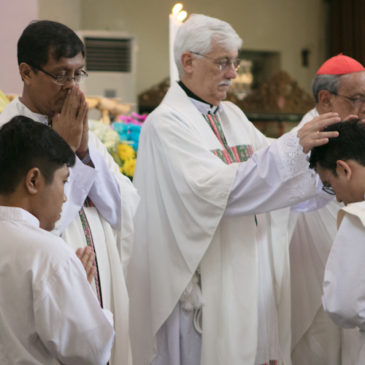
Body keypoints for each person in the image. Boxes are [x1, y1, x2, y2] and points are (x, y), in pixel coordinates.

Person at [127, 14, 340, 365]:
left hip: (247, 269)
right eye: (223, 62)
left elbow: (272, 179)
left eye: (235, 63)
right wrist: (292, 147)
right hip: (208, 282)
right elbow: (215, 190)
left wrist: (326, 176)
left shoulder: (231, 116)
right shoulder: (166, 124)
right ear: (188, 62)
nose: (233, 73)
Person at [0, 20, 139, 365]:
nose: (73, 87)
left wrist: (85, 152)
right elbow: (19, 224)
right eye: (62, 75)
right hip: (51, 273)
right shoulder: (8, 136)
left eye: (79, 74)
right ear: (27, 72)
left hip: (99, 270)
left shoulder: (82, 129)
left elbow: (125, 209)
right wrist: (62, 149)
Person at [0, 115, 115, 364]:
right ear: (33, 181)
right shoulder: (50, 255)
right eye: (63, 181)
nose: (64, 198)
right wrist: (78, 291)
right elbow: (93, 350)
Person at [289, 54, 365, 365]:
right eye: (357, 99)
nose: (363, 108)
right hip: (317, 279)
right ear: (325, 98)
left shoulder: (356, 134)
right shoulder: (299, 146)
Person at [308, 120, 365, 365]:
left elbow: (342, 305)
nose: (338, 198)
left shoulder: (357, 218)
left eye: (331, 186)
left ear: (344, 169)